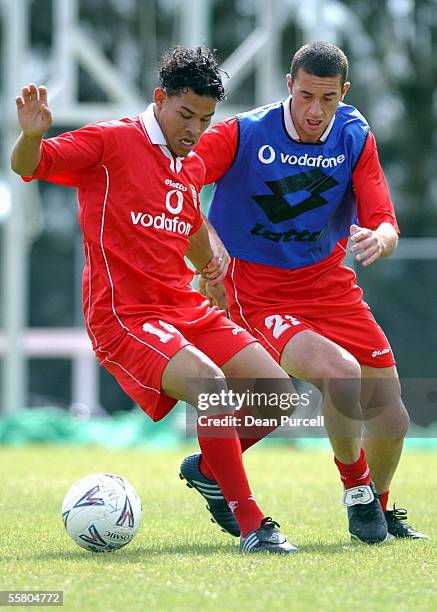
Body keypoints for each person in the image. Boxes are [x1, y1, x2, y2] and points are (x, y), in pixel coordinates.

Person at [11, 46, 298, 554]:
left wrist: (210, 261)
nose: (194, 129)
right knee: (212, 387)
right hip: (125, 316)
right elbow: (29, 166)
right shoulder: (112, 141)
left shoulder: (186, 165)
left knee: (276, 394)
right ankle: (253, 525)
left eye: (205, 120)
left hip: (184, 307)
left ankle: (209, 471)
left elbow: (185, 225)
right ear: (159, 98)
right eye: (185, 114)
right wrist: (31, 136)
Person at [193, 41, 428, 544]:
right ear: (289, 88)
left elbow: (383, 218)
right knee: (339, 374)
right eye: (305, 96)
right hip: (258, 290)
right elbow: (180, 177)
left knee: (393, 415)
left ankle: (380, 509)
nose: (315, 111)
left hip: (329, 284)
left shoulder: (354, 135)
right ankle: (357, 493)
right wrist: (206, 244)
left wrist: (379, 239)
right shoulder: (245, 132)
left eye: (327, 98)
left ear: (343, 93)